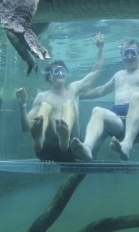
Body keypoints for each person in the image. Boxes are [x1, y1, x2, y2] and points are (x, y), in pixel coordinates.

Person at [70, 38, 139, 161]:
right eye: (126, 53)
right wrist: (80, 95)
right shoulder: (118, 75)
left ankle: (127, 145)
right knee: (97, 111)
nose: (129, 56)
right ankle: (87, 147)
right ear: (121, 55)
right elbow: (101, 90)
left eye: (133, 52)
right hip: (119, 125)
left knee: (136, 96)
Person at [15, 32, 104, 161]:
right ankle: (39, 138)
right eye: (57, 71)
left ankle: (65, 137)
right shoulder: (41, 97)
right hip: (47, 148)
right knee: (45, 106)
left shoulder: (74, 89)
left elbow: (95, 72)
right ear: (49, 77)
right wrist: (22, 106)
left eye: (63, 71)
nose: (60, 73)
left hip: (71, 148)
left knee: (68, 104)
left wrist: (100, 49)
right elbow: (25, 127)